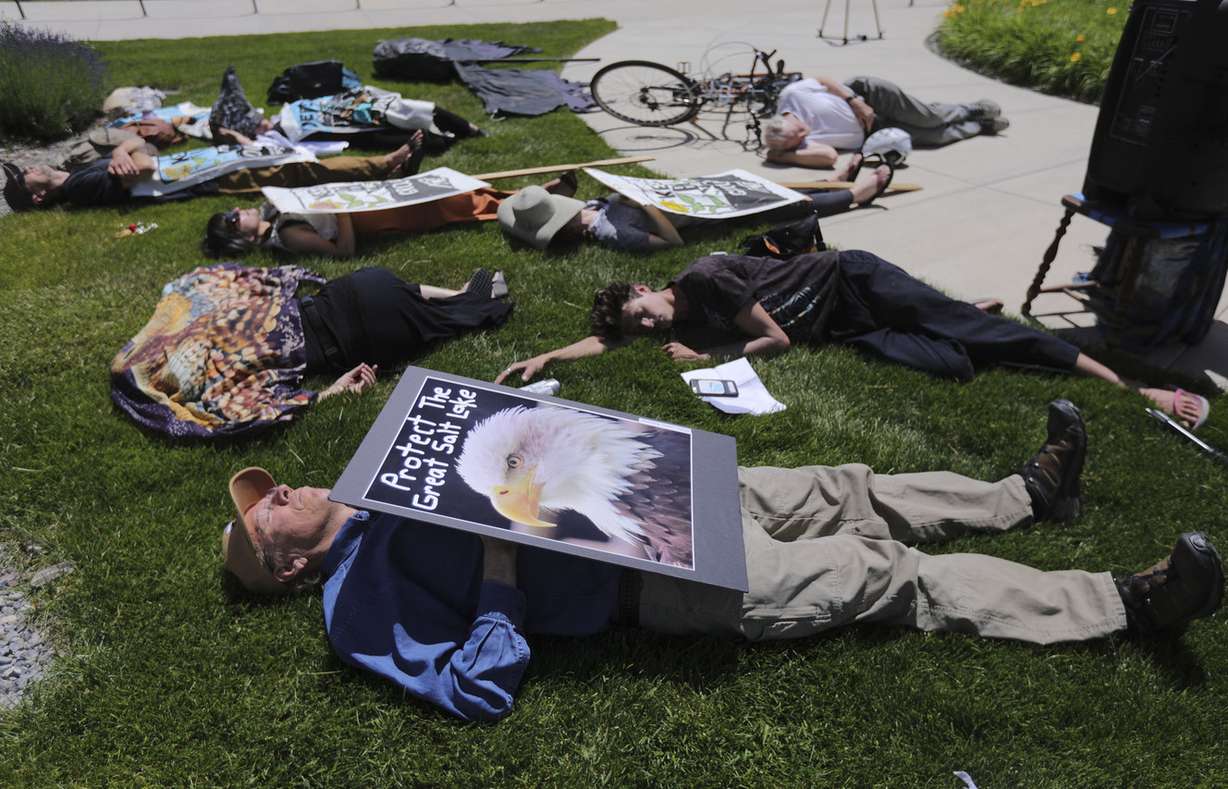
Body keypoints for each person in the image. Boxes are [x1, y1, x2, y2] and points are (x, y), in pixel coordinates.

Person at [220, 399, 1225, 722]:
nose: (281, 494)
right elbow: (478, 689)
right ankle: (1123, 604)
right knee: (882, 575)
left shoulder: (395, 456)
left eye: (270, 488)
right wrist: (500, 568)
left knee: (845, 486)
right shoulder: (356, 610)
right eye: (266, 518)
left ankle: (1027, 496)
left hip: (656, 487)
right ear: (290, 572)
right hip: (654, 578)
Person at [495, 250, 1211, 428]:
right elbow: (606, 345)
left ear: (650, 286)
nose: (647, 326)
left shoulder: (706, 278)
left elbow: (772, 340)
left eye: (643, 311)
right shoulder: (670, 313)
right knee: (954, 366)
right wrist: (550, 355)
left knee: (990, 337)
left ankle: (1134, 386)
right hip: (851, 327)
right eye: (638, 327)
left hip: (855, 283)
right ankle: (949, 312)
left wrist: (708, 356)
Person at [111, 265, 511, 439]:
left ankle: (477, 303)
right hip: (347, 289)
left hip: (357, 334)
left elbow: (256, 414)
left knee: (438, 322)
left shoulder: (216, 385)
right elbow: (209, 282)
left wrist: (330, 392)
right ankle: (461, 293)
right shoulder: (200, 316)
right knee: (403, 297)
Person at [498, 156, 893, 253]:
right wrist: (647, 206)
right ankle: (856, 194)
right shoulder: (609, 231)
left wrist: (556, 186)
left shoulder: (584, 207)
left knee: (766, 184)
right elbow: (671, 244)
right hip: (699, 214)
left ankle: (840, 177)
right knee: (787, 205)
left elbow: (545, 198)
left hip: (694, 193)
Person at [1, 134, 422, 212]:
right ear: (38, 197)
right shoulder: (81, 187)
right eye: (26, 178)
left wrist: (121, 149)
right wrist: (126, 154)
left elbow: (142, 146)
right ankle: (385, 165)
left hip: (199, 166)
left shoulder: (83, 173)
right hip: (206, 178)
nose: (32, 167)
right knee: (297, 171)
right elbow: (146, 165)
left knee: (289, 161)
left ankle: (384, 164)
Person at [202, 173, 579, 259]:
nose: (239, 211)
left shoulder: (274, 205)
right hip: (371, 216)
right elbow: (343, 252)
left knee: (458, 193)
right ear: (245, 239)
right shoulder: (286, 235)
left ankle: (540, 194)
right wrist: (343, 209)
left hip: (377, 197)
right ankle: (540, 204)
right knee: (456, 206)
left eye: (233, 211)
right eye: (233, 221)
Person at [762, 75, 1009, 169]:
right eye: (798, 142)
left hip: (870, 97)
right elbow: (829, 157)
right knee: (935, 138)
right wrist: (786, 156)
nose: (806, 136)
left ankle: (973, 109)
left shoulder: (791, 96)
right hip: (874, 131)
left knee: (928, 118)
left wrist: (855, 100)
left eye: (800, 133)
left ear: (783, 121)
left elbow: (824, 81)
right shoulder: (800, 146)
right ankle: (981, 126)